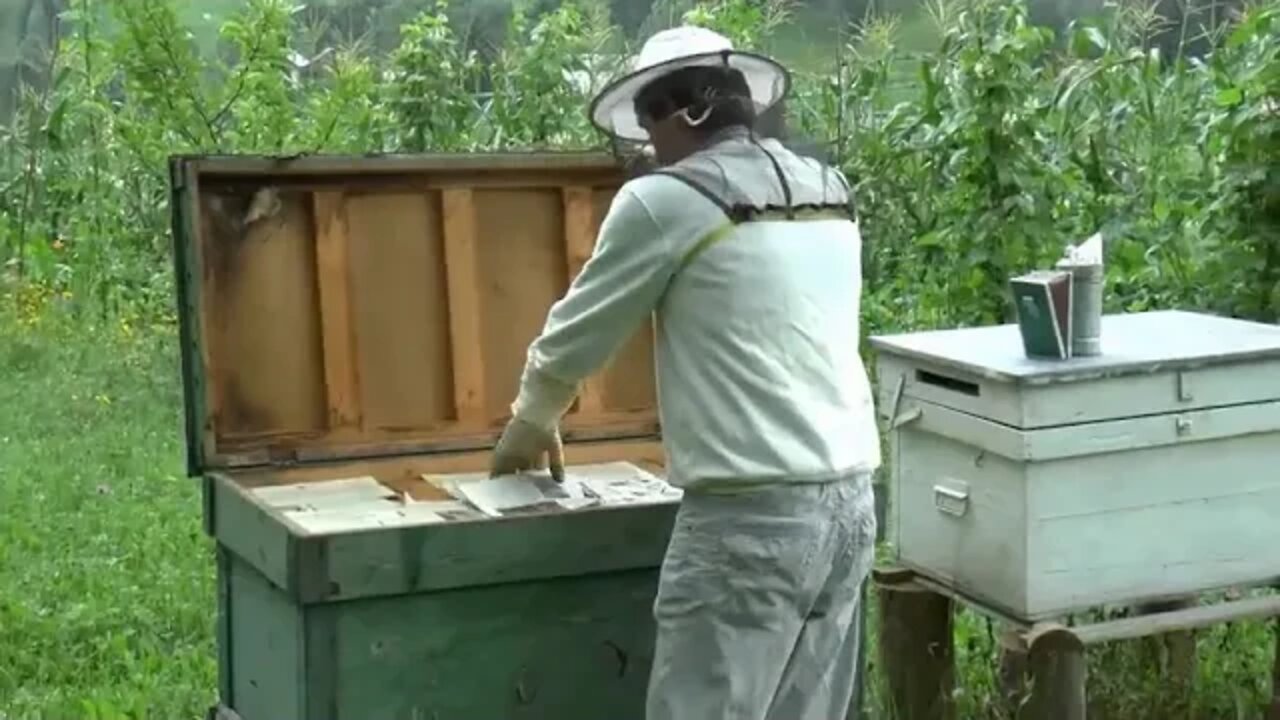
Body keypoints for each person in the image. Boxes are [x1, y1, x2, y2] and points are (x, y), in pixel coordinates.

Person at [489, 25, 882, 720]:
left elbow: (581, 329)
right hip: (851, 505)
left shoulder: (666, 201)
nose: (647, 144)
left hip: (750, 520)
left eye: (648, 123)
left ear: (681, 115)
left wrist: (531, 420)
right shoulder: (829, 189)